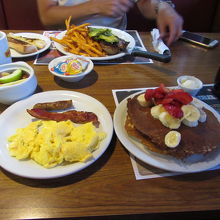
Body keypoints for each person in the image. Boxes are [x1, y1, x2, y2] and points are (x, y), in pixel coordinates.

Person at [37, 0, 183, 45]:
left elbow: (145, 5)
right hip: (67, 43)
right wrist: (94, 6)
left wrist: (162, 7)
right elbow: (47, 16)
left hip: (116, 43)